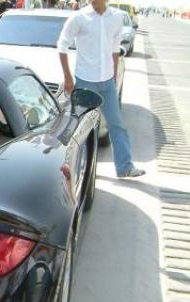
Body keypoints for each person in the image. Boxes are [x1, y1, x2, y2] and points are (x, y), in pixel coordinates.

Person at [57, 0, 144, 178]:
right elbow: (62, 45)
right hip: (85, 81)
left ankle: (125, 167)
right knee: (78, 128)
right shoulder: (79, 17)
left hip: (107, 82)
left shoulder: (117, 17)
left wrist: (113, 75)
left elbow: (114, 49)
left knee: (117, 124)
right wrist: (67, 77)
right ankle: (66, 167)